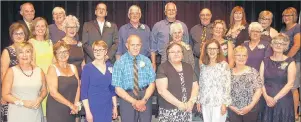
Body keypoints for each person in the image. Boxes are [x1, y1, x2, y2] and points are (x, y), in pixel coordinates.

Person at [112, 35, 156, 122]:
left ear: (141, 45)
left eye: (138, 45)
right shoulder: (120, 62)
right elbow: (117, 88)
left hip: (145, 96)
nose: (135, 48)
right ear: (126, 45)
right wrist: (134, 102)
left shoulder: (146, 60)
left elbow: (152, 83)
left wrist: (144, 100)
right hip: (127, 98)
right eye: (132, 45)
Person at [2, 42, 47, 122]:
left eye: (27, 51)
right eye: (21, 52)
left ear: (32, 54)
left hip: (36, 113)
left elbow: (44, 90)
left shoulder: (39, 71)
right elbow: (5, 95)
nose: (24, 55)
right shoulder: (11, 71)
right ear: (17, 55)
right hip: (17, 114)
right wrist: (22, 102)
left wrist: (40, 98)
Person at [156, 42, 199, 122]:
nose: (176, 54)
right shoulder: (162, 68)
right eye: (173, 52)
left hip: (187, 108)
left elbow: (195, 86)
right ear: (168, 54)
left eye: (179, 51)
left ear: (183, 54)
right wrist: (179, 104)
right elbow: (162, 91)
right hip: (169, 111)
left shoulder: (188, 67)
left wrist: (191, 101)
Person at [257, 34, 296, 122]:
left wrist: (274, 99)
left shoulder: (290, 62)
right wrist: (266, 97)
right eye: (276, 43)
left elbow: (290, 84)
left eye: (282, 44)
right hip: (265, 99)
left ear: (285, 46)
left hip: (283, 101)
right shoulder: (265, 61)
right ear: (272, 45)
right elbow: (260, 81)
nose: (278, 45)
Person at [81, 40, 118, 122]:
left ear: (106, 51)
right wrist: (87, 112)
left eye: (100, 50)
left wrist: (115, 107)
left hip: (107, 106)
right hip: (93, 107)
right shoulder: (87, 68)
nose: (98, 52)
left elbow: (112, 90)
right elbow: (84, 93)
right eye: (95, 50)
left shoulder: (110, 67)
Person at [0, 22, 29, 122]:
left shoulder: (29, 50)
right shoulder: (7, 51)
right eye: (16, 33)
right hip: (11, 93)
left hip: (26, 91)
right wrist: (4, 94)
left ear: (25, 35)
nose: (19, 36)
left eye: (21, 33)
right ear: (11, 35)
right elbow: (3, 74)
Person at [197, 39, 231, 122]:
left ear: (218, 50)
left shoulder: (224, 65)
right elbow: (201, 84)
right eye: (209, 49)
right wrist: (198, 100)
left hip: (218, 103)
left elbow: (227, 86)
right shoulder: (203, 66)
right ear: (206, 50)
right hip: (205, 102)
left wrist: (224, 103)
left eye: (214, 49)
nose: (212, 51)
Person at [46, 41, 80, 122]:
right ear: (55, 54)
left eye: (65, 51)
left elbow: (78, 86)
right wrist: (71, 105)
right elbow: (53, 93)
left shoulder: (73, 67)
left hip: (71, 109)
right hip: (56, 109)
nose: (63, 54)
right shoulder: (52, 68)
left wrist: (76, 104)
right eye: (60, 52)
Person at [150, 2, 190, 71]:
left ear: (176, 12)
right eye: (169, 10)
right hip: (162, 60)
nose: (171, 12)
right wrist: (153, 63)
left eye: (173, 10)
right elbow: (153, 47)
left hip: (180, 60)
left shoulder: (183, 26)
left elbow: (186, 44)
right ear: (165, 12)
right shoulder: (157, 26)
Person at [228, 45, 263, 122]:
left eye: (244, 55)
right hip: (233, 110)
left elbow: (259, 90)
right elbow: (224, 91)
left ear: (247, 57)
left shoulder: (253, 71)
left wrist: (250, 106)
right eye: (238, 55)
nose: (241, 57)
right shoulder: (227, 73)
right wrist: (231, 107)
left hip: (251, 110)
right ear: (234, 57)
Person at [28, 17, 54, 117]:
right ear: (34, 28)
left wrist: (52, 76)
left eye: (43, 26)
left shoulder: (50, 42)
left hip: (50, 78)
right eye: (37, 26)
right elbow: (32, 62)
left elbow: (53, 61)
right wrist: (44, 76)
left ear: (46, 28)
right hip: (39, 78)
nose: (40, 28)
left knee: (49, 108)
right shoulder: (31, 42)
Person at [280, 7, 300, 120]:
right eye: (284, 16)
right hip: (284, 61)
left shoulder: (297, 27)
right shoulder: (283, 29)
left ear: (294, 17)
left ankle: (295, 114)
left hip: (294, 61)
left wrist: (286, 59)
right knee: (285, 86)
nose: (286, 18)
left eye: (289, 15)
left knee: (293, 87)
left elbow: (297, 45)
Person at [190, 8, 213, 80]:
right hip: (196, 61)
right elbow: (190, 46)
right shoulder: (193, 29)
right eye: (203, 15)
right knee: (197, 82)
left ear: (211, 16)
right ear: (200, 16)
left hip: (211, 61)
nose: (205, 17)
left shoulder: (215, 29)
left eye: (207, 15)